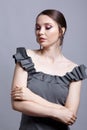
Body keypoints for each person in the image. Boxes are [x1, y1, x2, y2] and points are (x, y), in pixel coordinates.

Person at [11, 9, 87, 130]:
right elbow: (17, 104)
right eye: (37, 27)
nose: (40, 32)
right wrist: (57, 112)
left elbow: (69, 116)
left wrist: (32, 97)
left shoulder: (75, 70)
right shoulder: (25, 57)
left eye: (48, 27)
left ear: (61, 31)